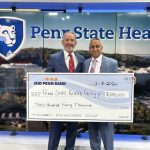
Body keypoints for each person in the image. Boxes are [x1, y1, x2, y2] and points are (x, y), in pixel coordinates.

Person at [45, 31, 85, 150]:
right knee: (55, 129)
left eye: (71, 40)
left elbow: (86, 79)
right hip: (57, 101)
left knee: (72, 128)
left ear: (75, 43)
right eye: (67, 40)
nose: (69, 42)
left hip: (74, 102)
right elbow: (46, 77)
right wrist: (32, 79)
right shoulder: (54, 57)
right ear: (62, 42)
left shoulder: (81, 59)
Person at [83, 38, 118, 150]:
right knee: (93, 135)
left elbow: (117, 83)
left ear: (102, 48)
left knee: (107, 135)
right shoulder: (85, 63)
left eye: (97, 46)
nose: (95, 49)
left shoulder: (112, 63)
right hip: (90, 105)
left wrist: (130, 81)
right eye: (92, 47)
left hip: (105, 106)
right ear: (89, 49)